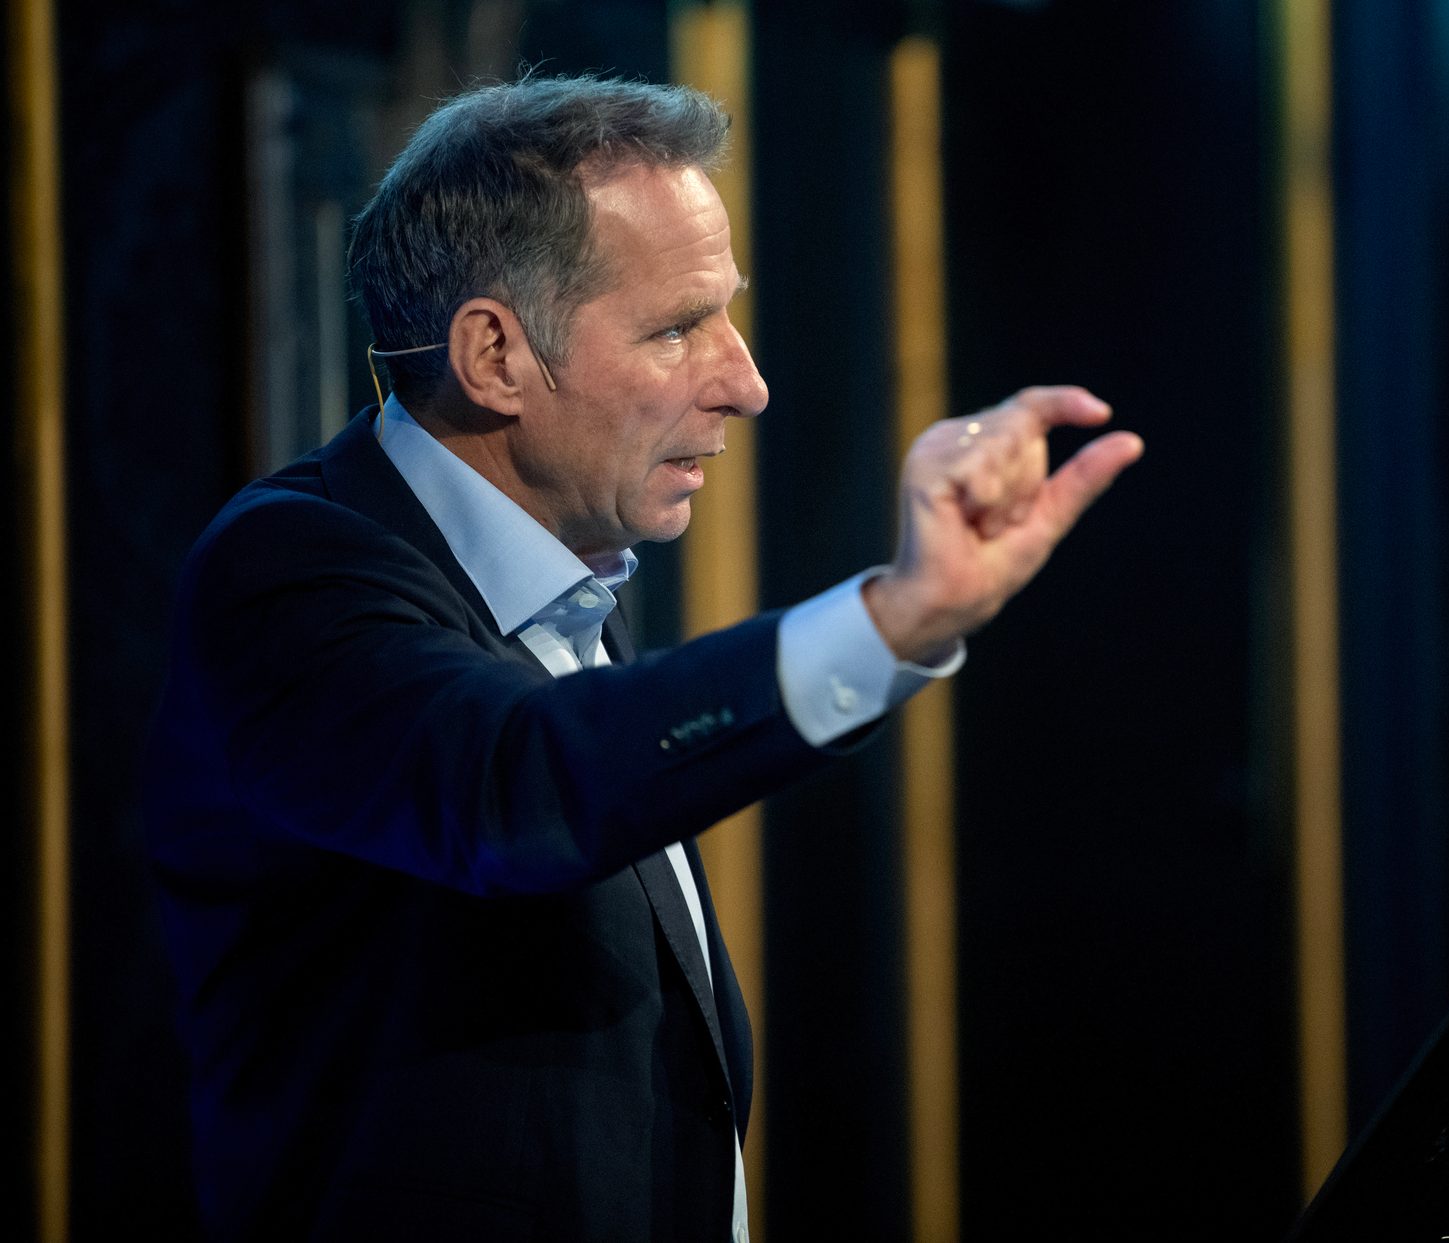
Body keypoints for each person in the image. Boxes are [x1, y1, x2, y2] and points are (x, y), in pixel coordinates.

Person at [144, 76, 1140, 1242]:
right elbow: (515, 783)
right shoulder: (290, 571)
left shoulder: (566, 578)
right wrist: (891, 621)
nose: (747, 384)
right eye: (677, 328)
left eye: (728, 316)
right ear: (495, 355)